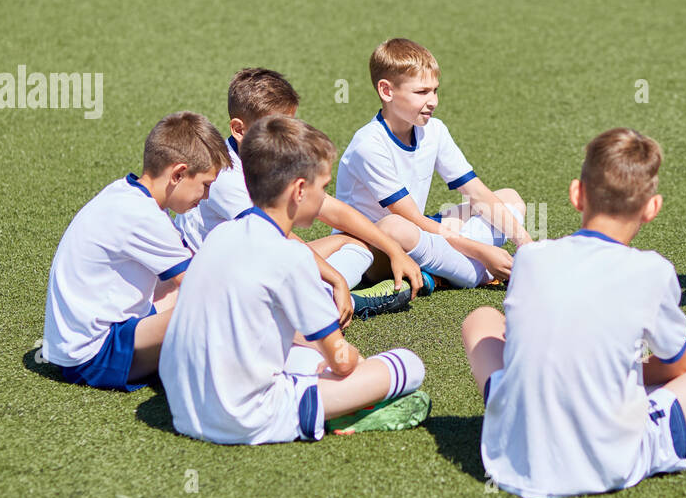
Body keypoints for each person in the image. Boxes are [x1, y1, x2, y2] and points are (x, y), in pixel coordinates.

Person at [464, 128, 686, 498]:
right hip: (610, 461)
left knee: (480, 319)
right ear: (652, 208)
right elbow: (679, 369)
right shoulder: (653, 271)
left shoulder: (529, 257)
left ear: (577, 193)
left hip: (510, 456)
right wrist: (617, 371)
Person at [160, 116, 429, 445]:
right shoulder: (294, 257)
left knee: (308, 356)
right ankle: (347, 411)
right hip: (246, 420)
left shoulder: (219, 236)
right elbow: (343, 363)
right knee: (408, 365)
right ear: (299, 190)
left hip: (183, 410)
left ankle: (330, 399)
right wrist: (352, 359)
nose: (324, 198)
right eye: (324, 187)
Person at [175, 67, 423, 320]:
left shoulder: (276, 159)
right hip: (219, 279)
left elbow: (332, 210)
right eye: (275, 128)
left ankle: (321, 298)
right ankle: (331, 301)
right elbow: (282, 241)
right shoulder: (225, 177)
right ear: (239, 130)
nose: (287, 137)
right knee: (303, 271)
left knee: (356, 244)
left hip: (256, 260)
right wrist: (336, 278)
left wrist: (394, 250)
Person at [42, 112, 229, 390]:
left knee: (198, 294)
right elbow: (203, 290)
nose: (206, 197)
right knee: (217, 309)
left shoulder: (124, 194)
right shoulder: (145, 218)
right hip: (92, 358)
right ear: (178, 174)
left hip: (75, 346)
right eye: (205, 185)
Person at [335, 38, 532, 291]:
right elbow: (411, 218)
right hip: (376, 250)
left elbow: (476, 192)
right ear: (387, 91)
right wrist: (483, 251)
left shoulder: (435, 130)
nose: (433, 101)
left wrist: (525, 243)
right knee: (395, 226)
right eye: (421, 92)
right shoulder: (368, 144)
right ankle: (476, 274)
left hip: (419, 232)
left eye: (435, 90)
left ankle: (445, 270)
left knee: (509, 198)